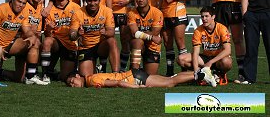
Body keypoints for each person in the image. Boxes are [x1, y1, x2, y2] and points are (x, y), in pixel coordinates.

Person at [0, 0, 47, 85]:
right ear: (12, 0)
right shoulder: (1, 9)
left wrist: (32, 36)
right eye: (19, 1)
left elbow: (27, 30)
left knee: (35, 42)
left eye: (24, 3)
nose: (21, 5)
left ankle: (30, 76)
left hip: (11, 45)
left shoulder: (24, 12)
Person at [70, 0, 119, 76]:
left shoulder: (107, 11)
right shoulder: (78, 13)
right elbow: (71, 35)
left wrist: (105, 32)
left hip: (100, 46)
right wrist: (77, 34)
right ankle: (97, 68)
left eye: (95, 0)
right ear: (85, 1)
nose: (92, 3)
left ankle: (116, 74)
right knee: (86, 77)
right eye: (90, 1)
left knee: (112, 41)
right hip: (86, 47)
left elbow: (111, 32)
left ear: (100, 0)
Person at [177, 6, 232, 85]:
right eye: (202, 16)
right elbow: (196, 52)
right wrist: (196, 71)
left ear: (213, 17)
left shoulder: (222, 28)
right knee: (181, 59)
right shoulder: (198, 31)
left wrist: (211, 62)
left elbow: (228, 50)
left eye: (206, 16)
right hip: (205, 58)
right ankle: (203, 75)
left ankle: (220, 73)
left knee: (227, 62)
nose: (204, 19)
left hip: (218, 59)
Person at [240, 0, 270, 84]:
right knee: (251, 47)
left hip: (268, 14)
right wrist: (245, 14)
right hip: (252, 14)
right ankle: (249, 78)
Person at [41, 0, 81, 83]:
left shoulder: (76, 8)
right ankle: (45, 74)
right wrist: (49, 29)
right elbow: (47, 35)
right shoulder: (49, 10)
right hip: (56, 42)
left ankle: (54, 73)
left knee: (64, 77)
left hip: (70, 44)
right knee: (47, 41)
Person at [66, 66, 217, 88]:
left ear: (78, 75)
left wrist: (136, 88)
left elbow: (118, 83)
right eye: (71, 84)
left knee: (170, 82)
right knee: (170, 78)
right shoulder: (92, 77)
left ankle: (202, 75)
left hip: (134, 78)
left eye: (73, 81)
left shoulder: (92, 80)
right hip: (134, 73)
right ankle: (201, 72)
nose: (73, 84)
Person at [127, 0, 163, 75]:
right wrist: (151, 37)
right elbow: (134, 33)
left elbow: (154, 32)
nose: (141, 0)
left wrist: (142, 34)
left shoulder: (157, 13)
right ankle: (134, 70)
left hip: (152, 46)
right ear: (135, 0)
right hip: (140, 44)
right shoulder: (131, 13)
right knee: (138, 41)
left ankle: (141, 70)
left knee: (150, 77)